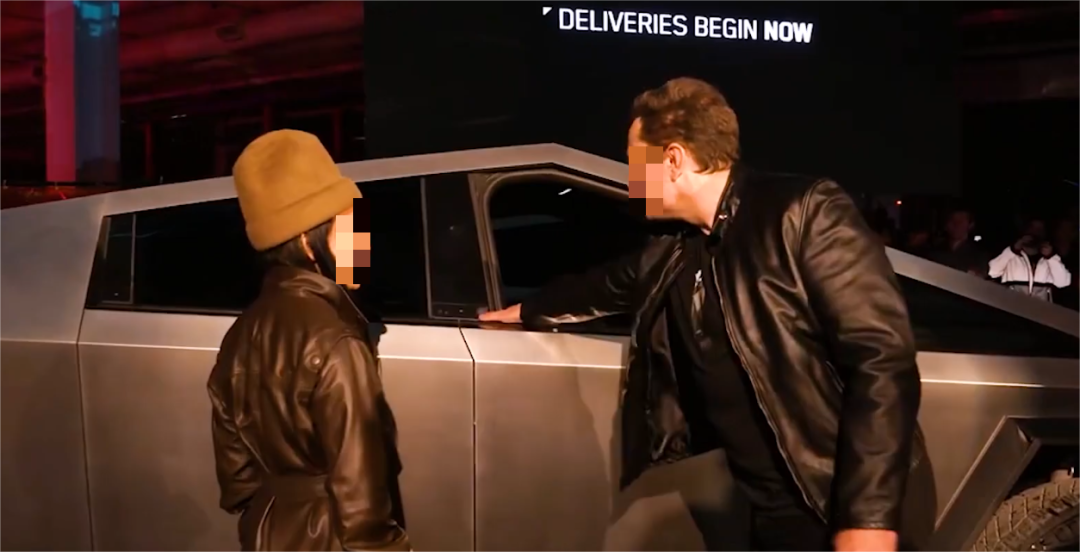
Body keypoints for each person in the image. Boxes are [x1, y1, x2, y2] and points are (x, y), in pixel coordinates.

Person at [481, 77, 935, 552]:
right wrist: (525, 310)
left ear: (673, 159)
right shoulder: (676, 249)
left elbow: (881, 362)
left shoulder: (803, 211)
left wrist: (867, 519)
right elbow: (603, 286)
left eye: (635, 162)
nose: (631, 180)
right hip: (771, 512)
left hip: (839, 506)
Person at [207, 130, 412, 552]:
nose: (363, 241)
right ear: (307, 239)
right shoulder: (337, 340)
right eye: (348, 227)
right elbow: (364, 510)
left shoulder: (240, 333)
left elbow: (237, 478)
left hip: (265, 530)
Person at [988, 221, 1072, 303]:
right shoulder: (1011, 256)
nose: (1034, 233)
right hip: (1012, 308)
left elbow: (1063, 282)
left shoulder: (1049, 261)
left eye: (1039, 230)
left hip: (1040, 310)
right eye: (1032, 228)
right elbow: (992, 271)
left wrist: (1051, 257)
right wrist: (1013, 250)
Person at [927, 208, 988, 277]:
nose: (956, 225)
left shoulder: (979, 256)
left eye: (961, 221)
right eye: (952, 220)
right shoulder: (934, 251)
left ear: (970, 225)